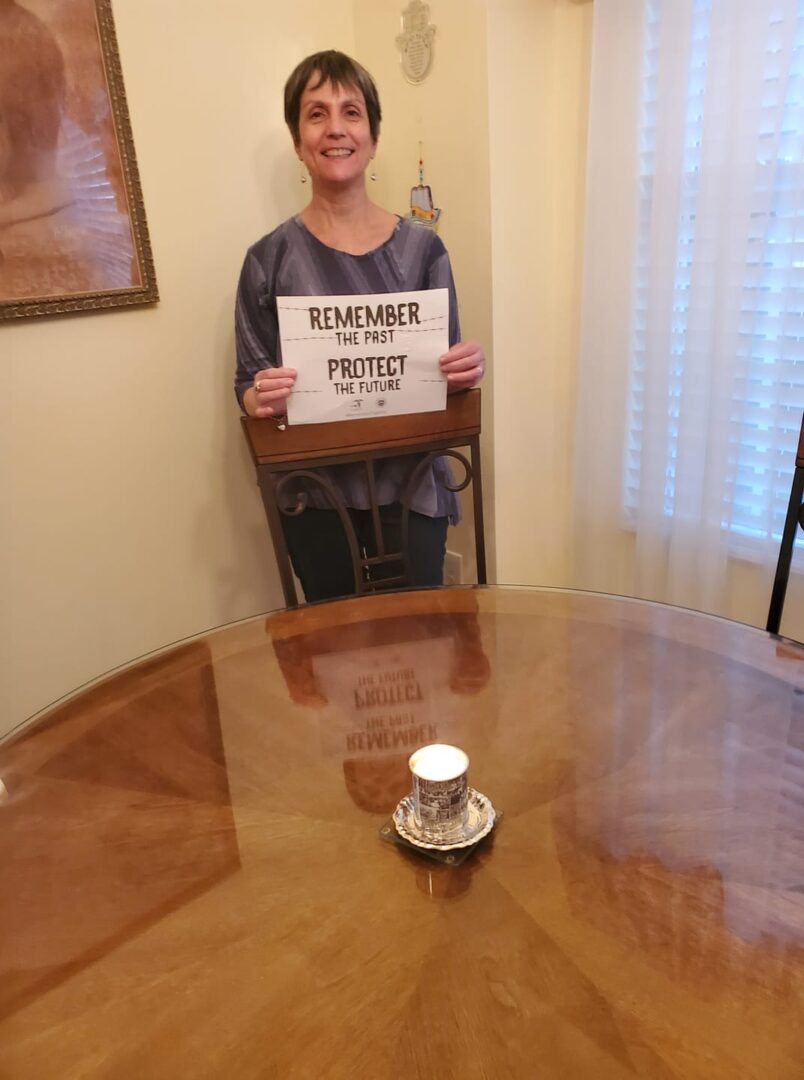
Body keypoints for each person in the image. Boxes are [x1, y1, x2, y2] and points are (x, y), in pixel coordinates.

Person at [235, 50, 485, 602]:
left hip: (413, 484)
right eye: (316, 113)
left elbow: (448, 375)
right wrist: (259, 398)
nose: (335, 128)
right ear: (298, 140)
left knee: (419, 641)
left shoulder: (425, 251)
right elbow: (247, 386)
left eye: (351, 112)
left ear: (372, 135)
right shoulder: (267, 261)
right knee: (334, 654)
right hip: (315, 494)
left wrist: (463, 370)